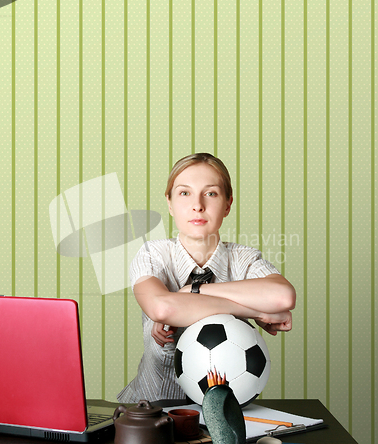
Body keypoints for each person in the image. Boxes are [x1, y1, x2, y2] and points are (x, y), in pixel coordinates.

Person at [117, 153, 296, 403]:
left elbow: (284, 296)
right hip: (150, 415)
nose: (198, 205)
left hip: (224, 419)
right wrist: (256, 312)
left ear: (227, 203)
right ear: (169, 203)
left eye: (210, 193)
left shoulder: (243, 259)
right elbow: (161, 306)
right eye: (184, 193)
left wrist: (192, 291)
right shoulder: (152, 254)